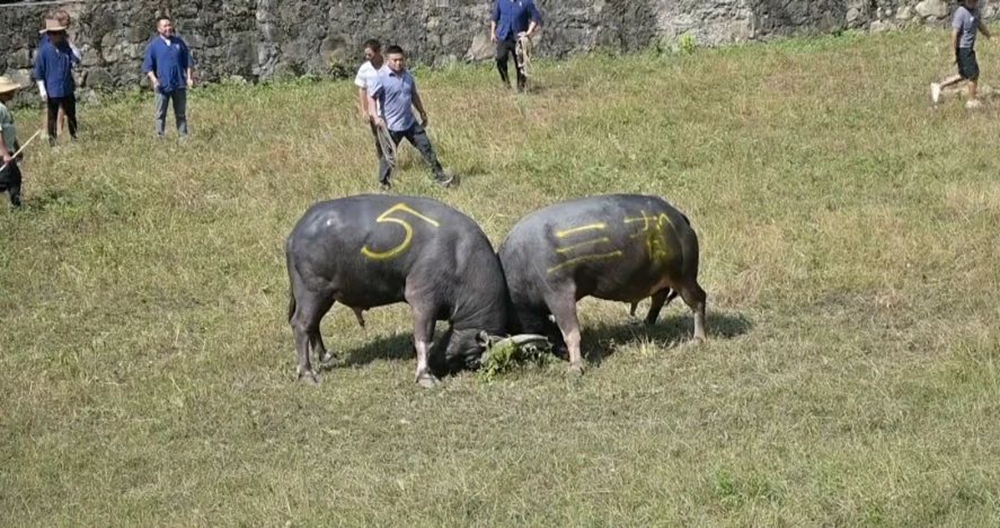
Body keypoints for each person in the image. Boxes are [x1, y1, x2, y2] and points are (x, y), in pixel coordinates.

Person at [368, 45, 454, 191]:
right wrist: (375, 117)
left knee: (426, 147)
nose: (398, 63)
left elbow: (413, 95)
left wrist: (422, 112)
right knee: (388, 157)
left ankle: (440, 177)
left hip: (410, 123)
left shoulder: (408, 76)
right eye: (394, 60)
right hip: (391, 126)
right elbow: (371, 98)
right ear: (388, 60)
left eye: (401, 60)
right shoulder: (381, 78)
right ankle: (383, 184)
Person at [931, 0, 992, 108]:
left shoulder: (975, 11)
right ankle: (971, 101)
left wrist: (989, 36)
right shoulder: (961, 12)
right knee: (973, 74)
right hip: (963, 48)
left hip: (969, 48)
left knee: (964, 74)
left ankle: (939, 86)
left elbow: (979, 24)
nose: (974, 2)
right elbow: (954, 33)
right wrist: (954, 53)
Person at [142, 16, 194, 138]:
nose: (168, 28)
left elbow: (188, 62)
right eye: (165, 26)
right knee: (160, 114)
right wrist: (154, 80)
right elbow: (148, 67)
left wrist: (189, 78)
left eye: (169, 25)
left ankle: (183, 137)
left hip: (179, 84)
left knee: (181, 113)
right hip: (162, 85)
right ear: (159, 28)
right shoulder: (154, 46)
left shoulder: (179, 43)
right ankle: (160, 137)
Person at [34, 18, 80, 146]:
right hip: (52, 89)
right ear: (48, 34)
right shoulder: (44, 51)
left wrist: (70, 43)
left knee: (71, 114)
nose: (57, 36)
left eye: (60, 33)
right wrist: (42, 89)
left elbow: (76, 58)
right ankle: (53, 143)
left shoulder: (65, 47)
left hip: (66, 88)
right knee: (52, 117)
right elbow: (39, 72)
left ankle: (74, 138)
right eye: (54, 33)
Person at [491, 0, 542, 92]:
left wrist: (528, 33)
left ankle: (521, 87)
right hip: (504, 36)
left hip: (518, 38)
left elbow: (535, 18)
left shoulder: (526, 2)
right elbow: (494, 18)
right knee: (500, 58)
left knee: (521, 64)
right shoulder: (501, 2)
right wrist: (492, 33)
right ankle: (506, 82)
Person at [355, 39, 388, 160]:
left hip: (390, 109)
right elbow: (362, 89)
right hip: (374, 111)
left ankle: (390, 159)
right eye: (366, 54)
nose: (367, 57)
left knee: (392, 136)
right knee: (378, 138)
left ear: (378, 51)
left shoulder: (388, 66)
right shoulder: (365, 69)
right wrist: (365, 111)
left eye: (370, 54)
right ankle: (384, 162)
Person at [0, 76, 24, 207]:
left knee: (13, 178)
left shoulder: (4, 108)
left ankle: (17, 205)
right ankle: (17, 206)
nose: (13, 93)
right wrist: (4, 154)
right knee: (10, 180)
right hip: (2, 153)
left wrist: (17, 148)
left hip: (7, 150)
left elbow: (9, 130)